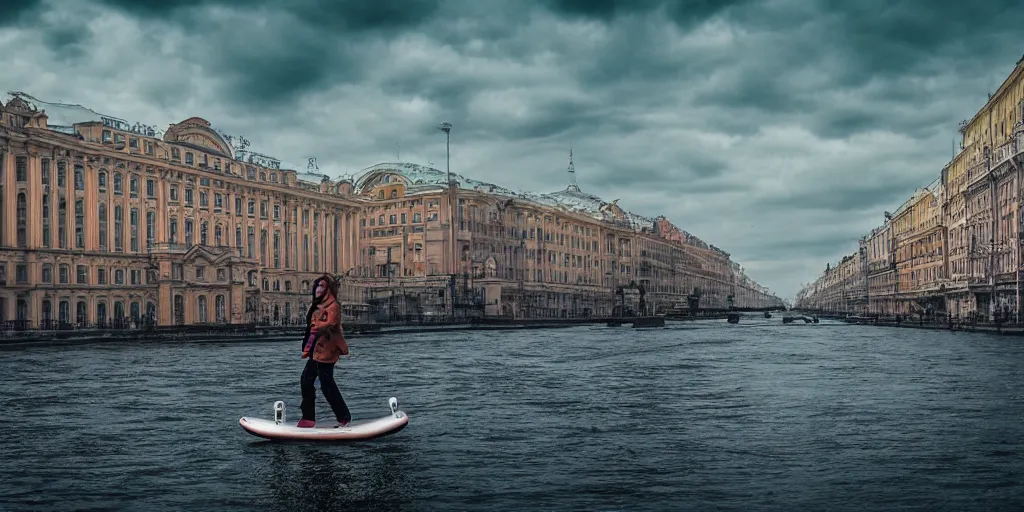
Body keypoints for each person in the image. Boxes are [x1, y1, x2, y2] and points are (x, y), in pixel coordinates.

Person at [297, 274, 352, 428]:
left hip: (328, 349)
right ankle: (308, 418)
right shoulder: (317, 305)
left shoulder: (333, 306)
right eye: (317, 286)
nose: (317, 289)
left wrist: (316, 325)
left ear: (328, 289)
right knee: (306, 380)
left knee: (326, 383)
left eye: (321, 286)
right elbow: (312, 327)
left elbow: (331, 323)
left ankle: (344, 417)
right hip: (316, 350)